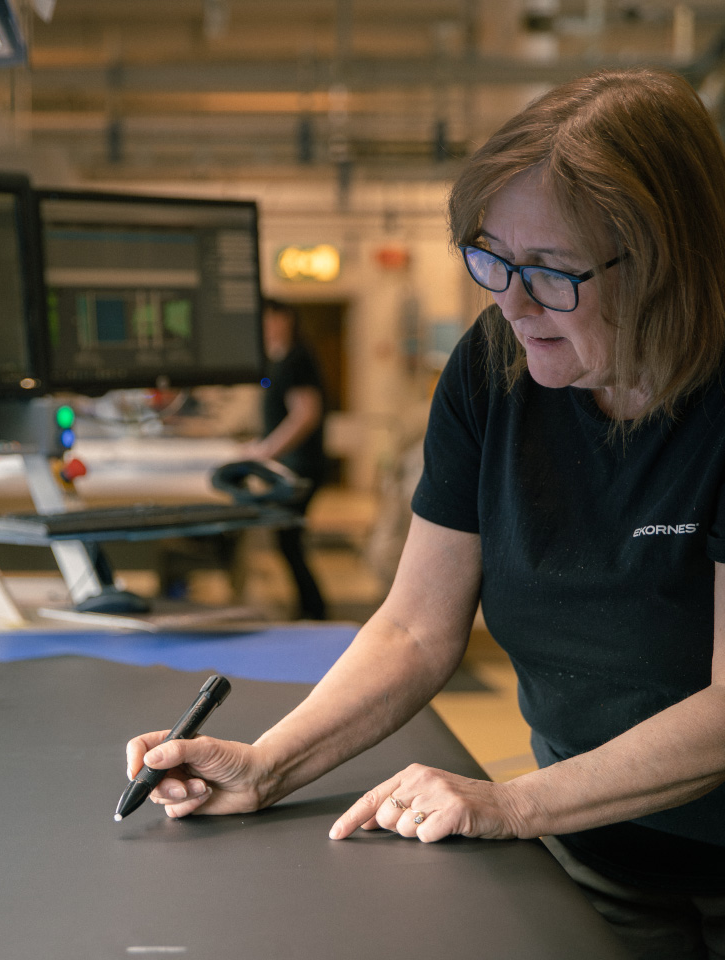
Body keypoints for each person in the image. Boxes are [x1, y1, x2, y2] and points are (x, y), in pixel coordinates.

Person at [125, 67, 725, 959]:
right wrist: (268, 764)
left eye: (553, 273)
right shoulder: (497, 367)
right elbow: (413, 627)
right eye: (491, 259)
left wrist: (513, 800)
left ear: (669, 258)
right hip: (599, 847)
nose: (511, 303)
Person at [243, 298, 328, 620]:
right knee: (287, 542)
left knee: (289, 542)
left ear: (284, 318)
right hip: (291, 464)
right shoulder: (278, 359)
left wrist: (266, 451)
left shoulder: (295, 359)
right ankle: (310, 608)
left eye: (266, 318)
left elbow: (305, 414)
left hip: (301, 467)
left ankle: (314, 611)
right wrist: (260, 445)